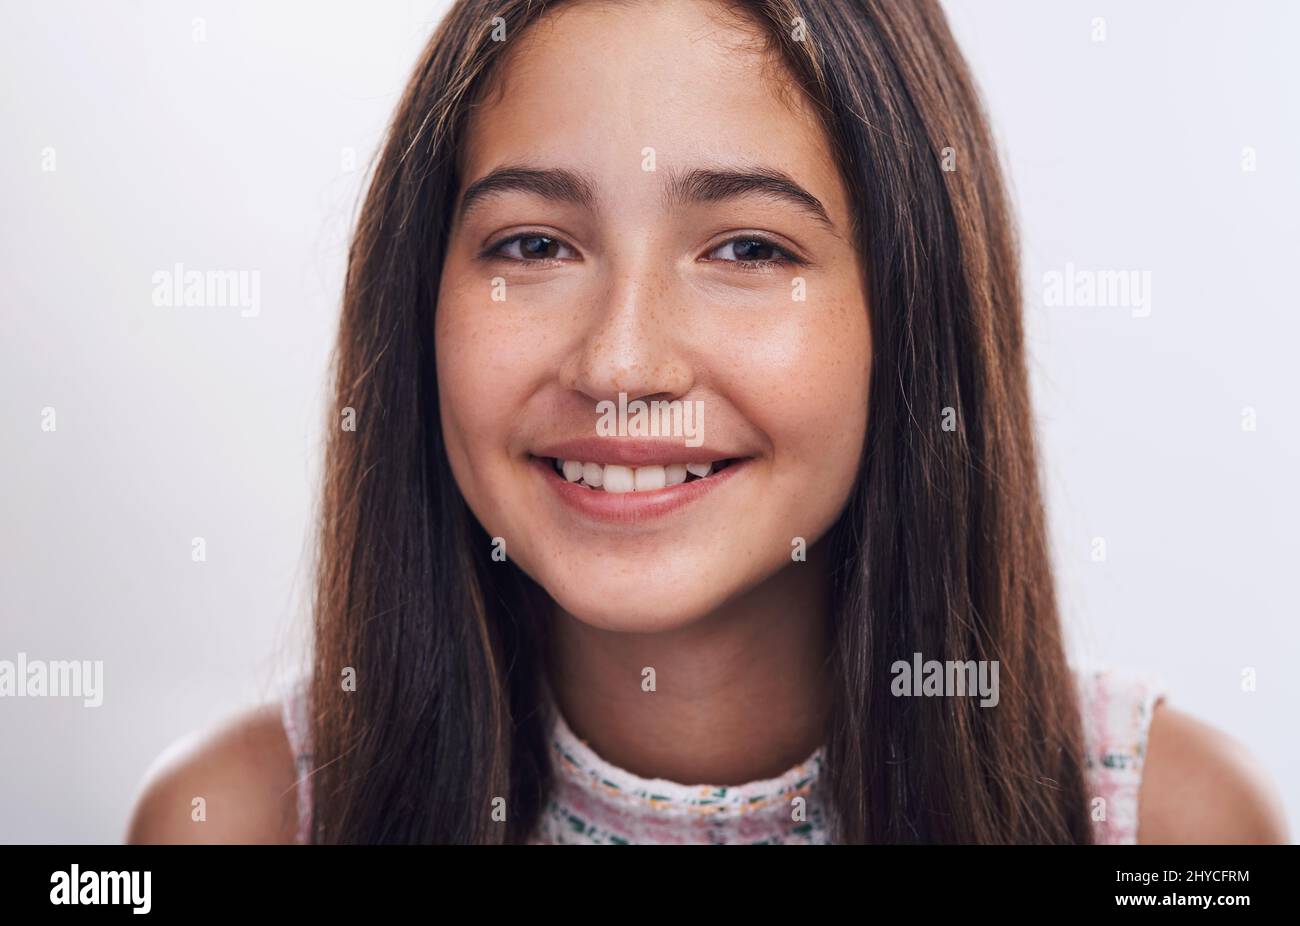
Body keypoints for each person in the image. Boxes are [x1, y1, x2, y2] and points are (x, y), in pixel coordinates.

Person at [128, 0, 1288, 844]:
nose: (620, 358)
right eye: (532, 244)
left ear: (909, 306)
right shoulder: (236, 824)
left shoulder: (1173, 829)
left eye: (747, 247)